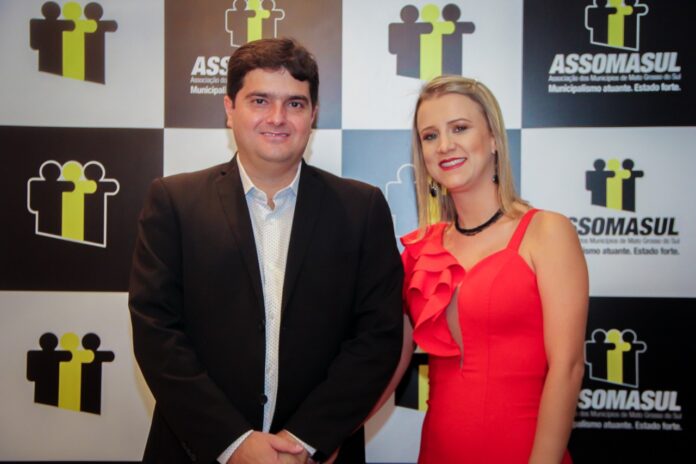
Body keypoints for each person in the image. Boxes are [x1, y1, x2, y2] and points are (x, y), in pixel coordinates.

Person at [128, 38, 403, 464]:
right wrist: (233, 443)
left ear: (313, 114)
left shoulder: (361, 209)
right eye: (260, 100)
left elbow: (377, 338)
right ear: (229, 108)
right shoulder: (174, 202)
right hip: (197, 452)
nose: (277, 118)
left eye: (295, 104)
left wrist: (305, 442)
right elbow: (156, 333)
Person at [392, 76, 588, 463]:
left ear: (494, 139)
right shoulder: (419, 251)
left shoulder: (547, 232)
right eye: (430, 136)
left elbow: (567, 369)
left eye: (459, 128)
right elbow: (389, 363)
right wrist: (317, 440)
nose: (444, 145)